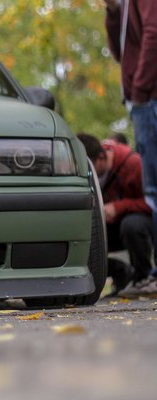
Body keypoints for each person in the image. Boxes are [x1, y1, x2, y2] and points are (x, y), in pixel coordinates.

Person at [104, 0, 157, 295]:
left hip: (149, 99)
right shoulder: (125, 6)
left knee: (154, 191)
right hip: (143, 100)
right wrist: (113, 12)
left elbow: (153, 32)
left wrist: (140, 90)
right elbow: (119, 53)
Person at [77, 133, 153, 294]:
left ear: (101, 158)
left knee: (131, 225)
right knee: (83, 234)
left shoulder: (133, 163)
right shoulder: (88, 174)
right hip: (112, 225)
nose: (87, 172)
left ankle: (144, 277)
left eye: (90, 167)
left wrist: (118, 207)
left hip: (142, 222)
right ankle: (120, 272)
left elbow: (151, 202)